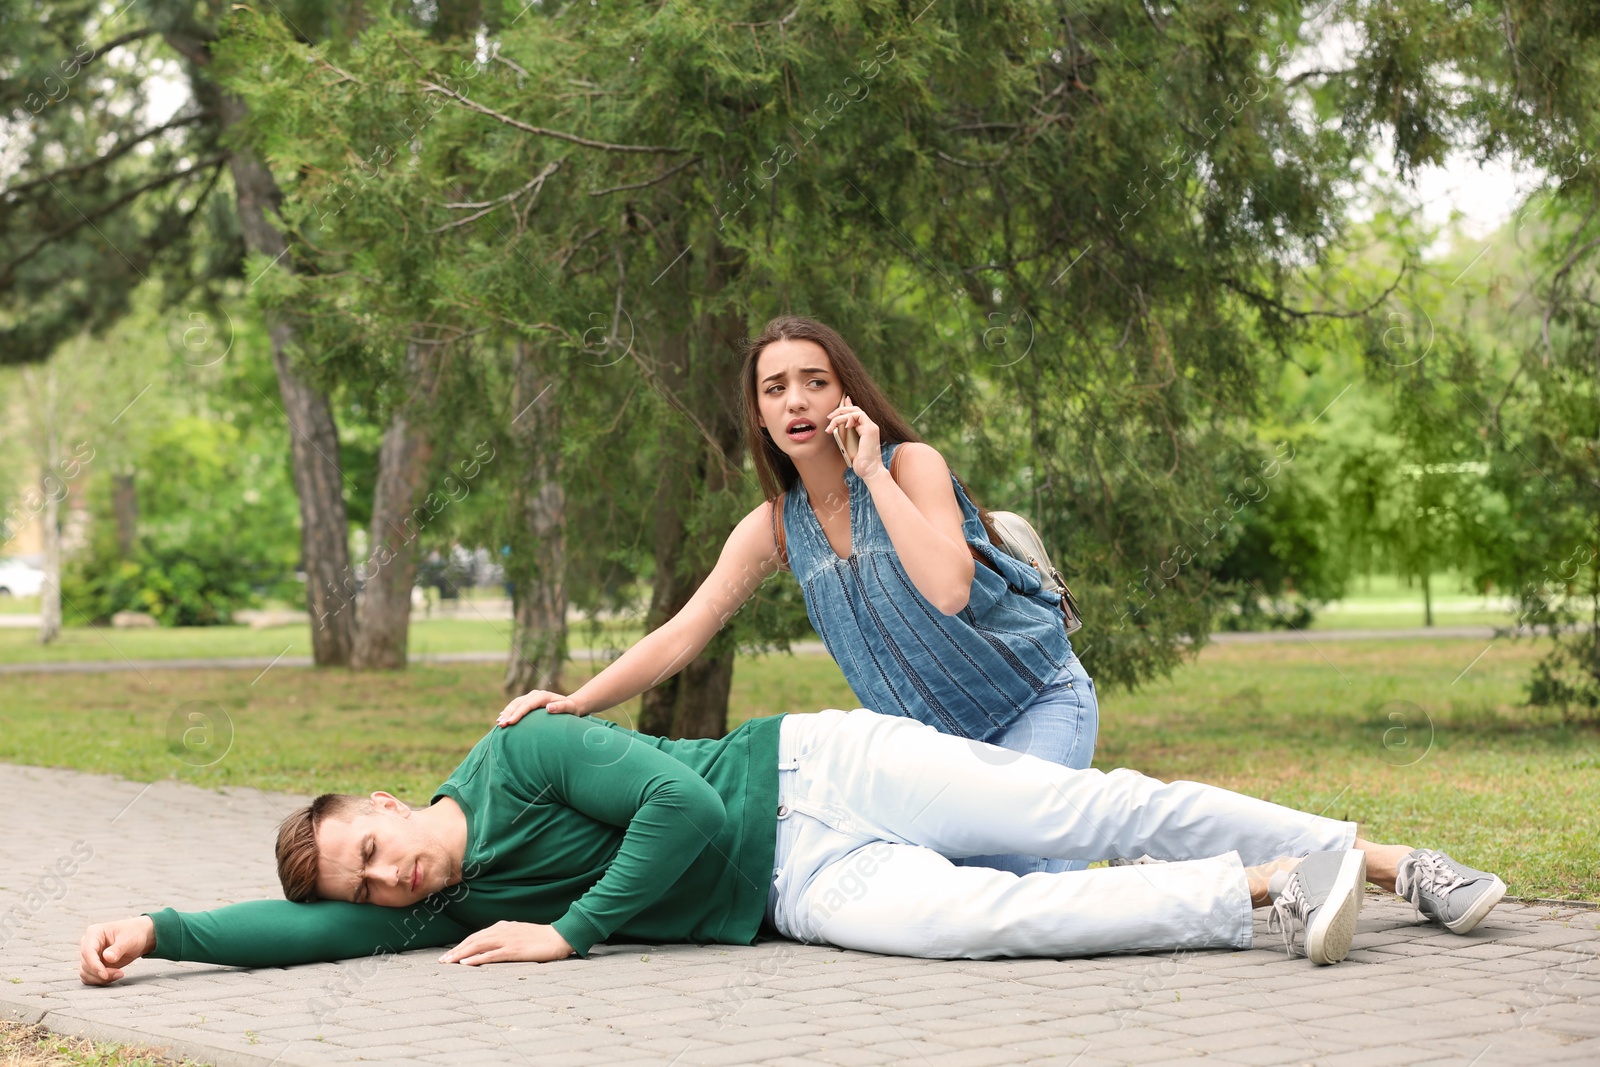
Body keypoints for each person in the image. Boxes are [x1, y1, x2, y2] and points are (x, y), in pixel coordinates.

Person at [79, 707, 1505, 986]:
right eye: (371, 885)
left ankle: (1385, 860)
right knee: (971, 927)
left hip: (816, 766)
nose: (387, 883)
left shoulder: (518, 752)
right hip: (794, 892)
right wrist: (161, 927)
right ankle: (1274, 885)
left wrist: (570, 932)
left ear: (384, 802)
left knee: (1092, 809)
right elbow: (304, 936)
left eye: (373, 850)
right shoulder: (402, 913)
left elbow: (685, 810)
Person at [499, 315, 1097, 875]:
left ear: (846, 396)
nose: (796, 401)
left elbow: (947, 589)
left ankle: (1131, 858)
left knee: (1012, 869)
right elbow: (684, 633)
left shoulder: (911, 466)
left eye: (816, 382)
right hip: (936, 750)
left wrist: (871, 475)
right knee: (956, 885)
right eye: (775, 388)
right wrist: (579, 701)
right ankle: (1105, 858)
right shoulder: (775, 528)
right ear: (759, 414)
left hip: (1035, 701)